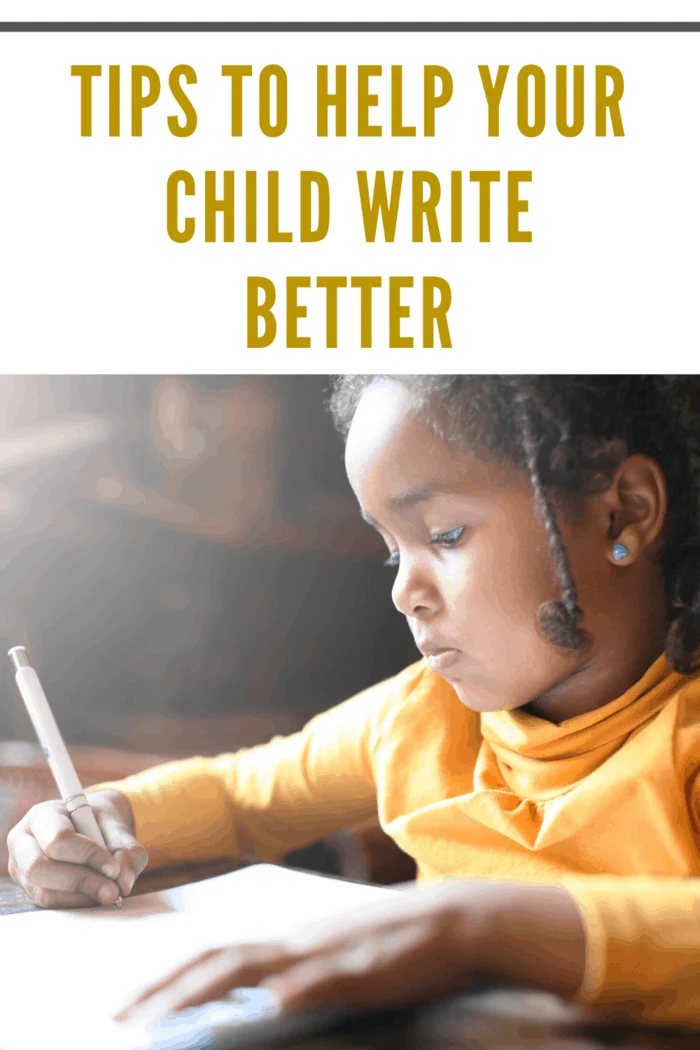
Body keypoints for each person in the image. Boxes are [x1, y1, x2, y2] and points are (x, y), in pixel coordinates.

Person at [8, 375, 700, 1029]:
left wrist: (476, 928)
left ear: (625, 512)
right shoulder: (420, 718)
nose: (404, 594)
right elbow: (240, 798)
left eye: (446, 535)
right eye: (392, 552)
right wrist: (106, 818)